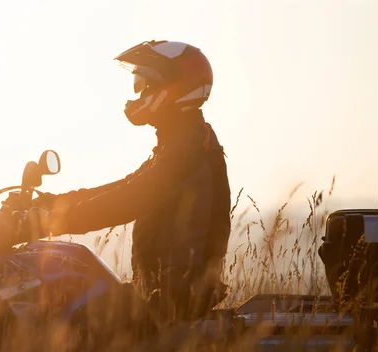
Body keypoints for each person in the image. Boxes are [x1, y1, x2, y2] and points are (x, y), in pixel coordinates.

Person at [28, 40, 232, 321]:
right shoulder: (181, 141)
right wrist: (53, 202)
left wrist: (51, 221)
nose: (140, 93)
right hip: (163, 295)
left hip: (172, 303)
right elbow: (125, 186)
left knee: (65, 313)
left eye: (146, 85)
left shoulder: (188, 147)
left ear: (174, 88)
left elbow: (130, 199)